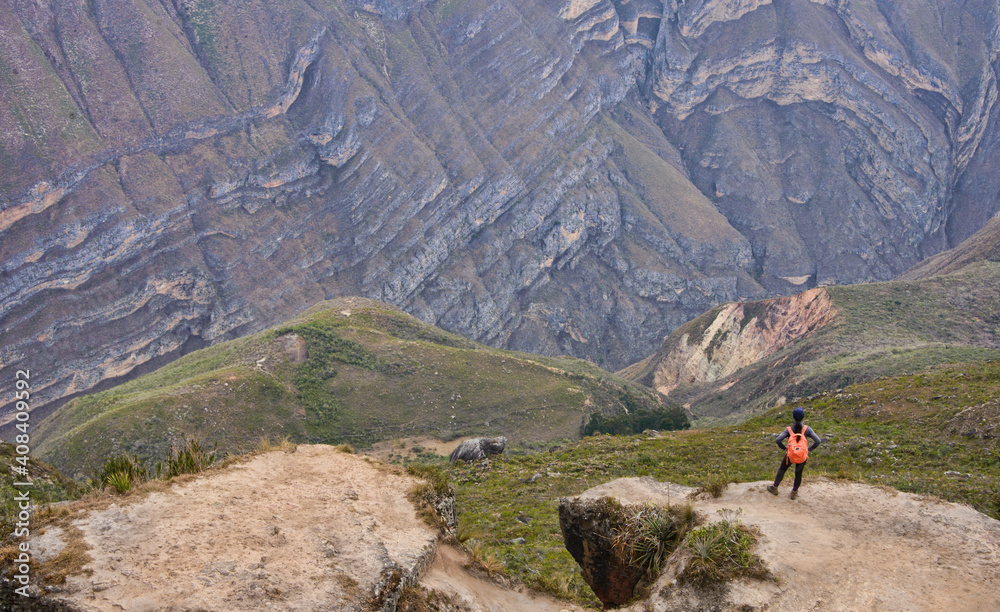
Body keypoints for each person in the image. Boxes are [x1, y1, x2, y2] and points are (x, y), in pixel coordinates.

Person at [767, 407, 821, 499]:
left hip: (790, 454)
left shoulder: (789, 429)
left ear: (793, 417)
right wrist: (808, 450)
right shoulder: (807, 429)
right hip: (801, 455)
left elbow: (778, 440)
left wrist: (785, 448)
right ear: (803, 417)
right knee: (798, 474)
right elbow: (818, 441)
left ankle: (775, 488)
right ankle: (794, 493)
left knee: (782, 470)